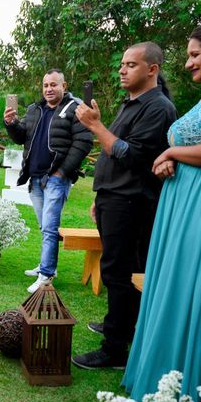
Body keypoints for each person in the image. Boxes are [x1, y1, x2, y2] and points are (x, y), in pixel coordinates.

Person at [123, 19, 201, 402]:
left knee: (198, 290)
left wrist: (171, 152)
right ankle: (167, 379)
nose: (189, 62)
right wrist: (176, 158)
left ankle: (193, 389)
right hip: (187, 208)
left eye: (195, 54)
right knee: (177, 287)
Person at [72, 42, 177, 369]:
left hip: (132, 202)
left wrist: (95, 126)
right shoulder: (130, 104)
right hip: (113, 198)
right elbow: (111, 152)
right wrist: (99, 195)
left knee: (121, 271)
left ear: (152, 69)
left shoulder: (158, 107)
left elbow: (132, 157)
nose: (122, 69)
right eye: (123, 64)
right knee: (119, 268)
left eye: (131, 64)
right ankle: (121, 324)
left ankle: (114, 349)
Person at [3, 69, 92, 293]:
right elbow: (22, 136)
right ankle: (46, 265)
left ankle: (46, 274)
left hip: (55, 179)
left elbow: (83, 142)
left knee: (50, 227)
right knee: (45, 227)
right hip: (35, 178)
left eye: (53, 85)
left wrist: (62, 172)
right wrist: (12, 124)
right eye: (45, 85)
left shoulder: (75, 108)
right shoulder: (35, 109)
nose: (49, 89)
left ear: (64, 85)